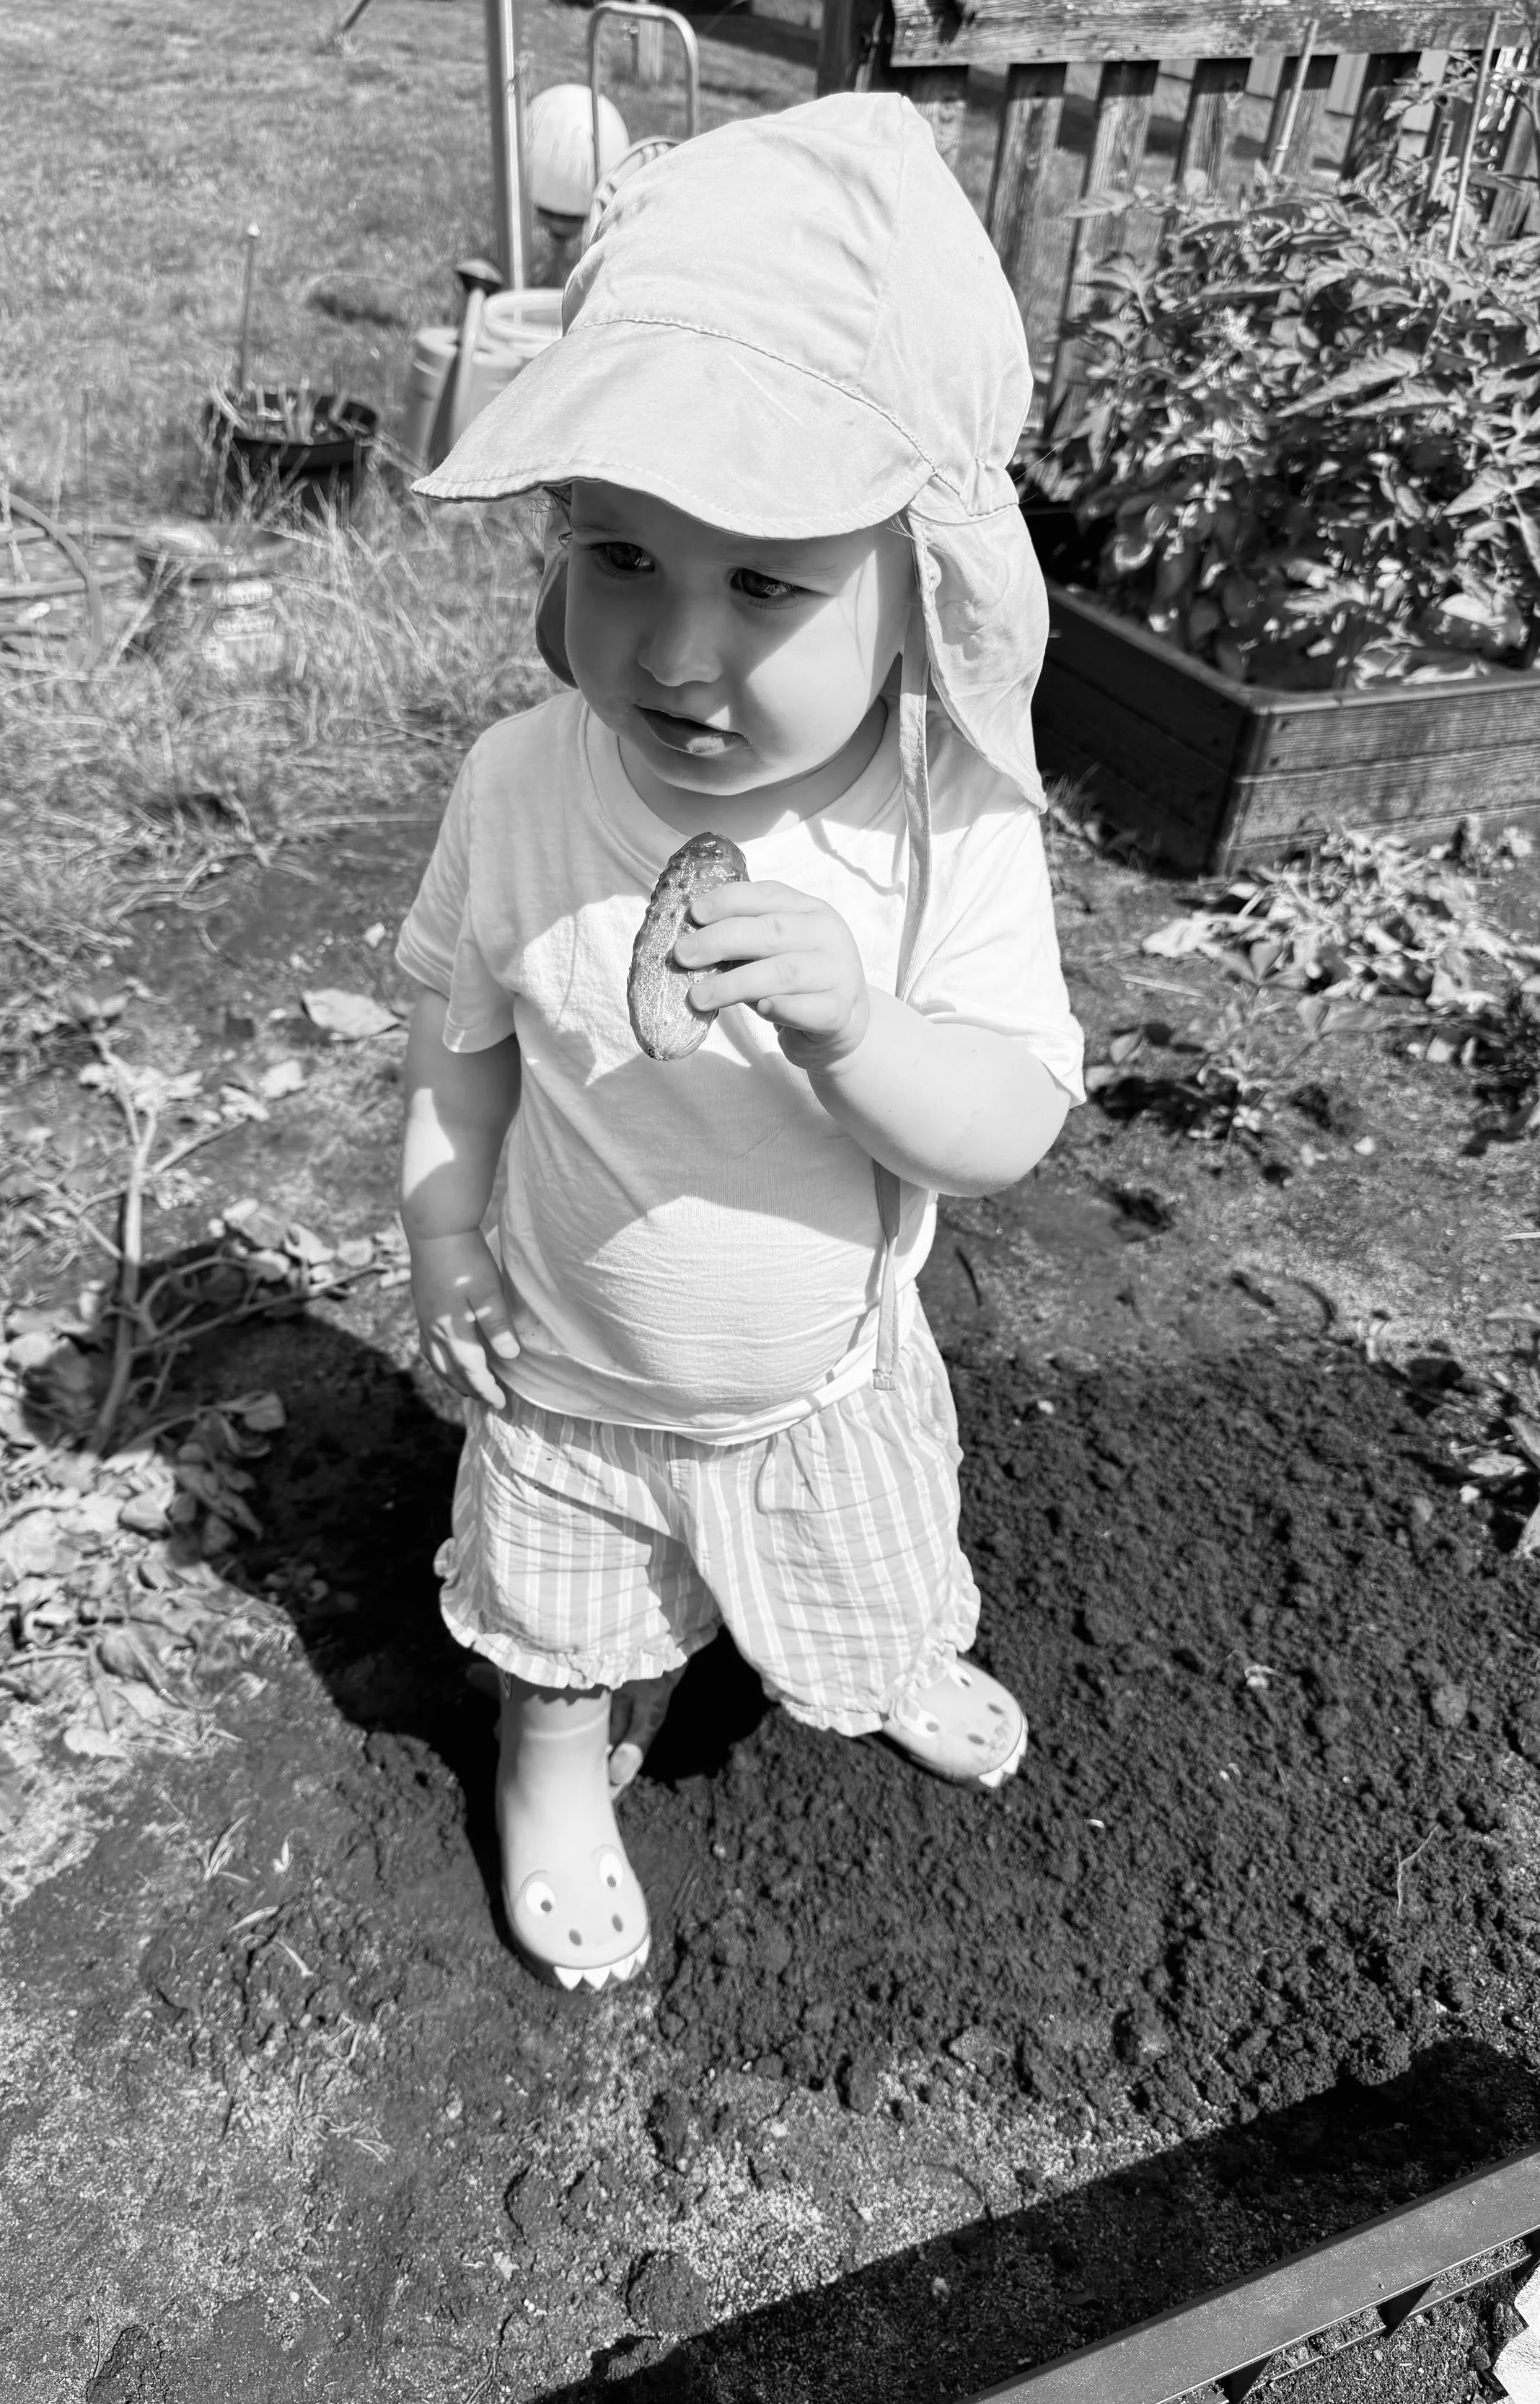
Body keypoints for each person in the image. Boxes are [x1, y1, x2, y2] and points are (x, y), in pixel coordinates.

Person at [395, 94, 1084, 1991]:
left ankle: (882, 1657)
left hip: (817, 1377)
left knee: (872, 1562)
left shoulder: (942, 823)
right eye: (619, 556)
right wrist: (443, 1232)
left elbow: (1002, 1123)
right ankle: (550, 1775)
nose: (677, 655)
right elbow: (460, 1043)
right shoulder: (520, 785)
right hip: (570, 1368)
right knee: (562, 1632)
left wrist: (854, 1024)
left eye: (768, 584)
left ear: (924, 583)